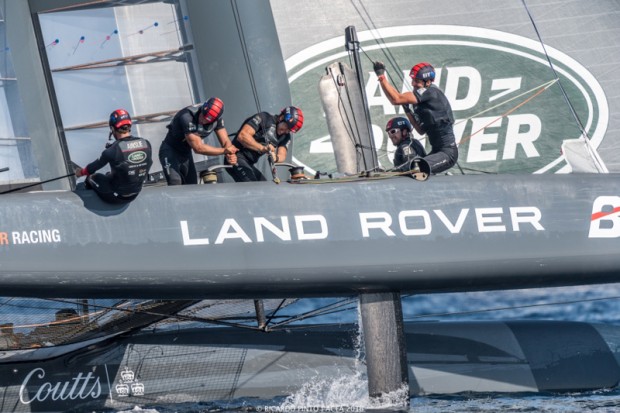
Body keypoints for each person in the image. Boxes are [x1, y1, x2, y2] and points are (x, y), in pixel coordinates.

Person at [374, 61, 458, 174]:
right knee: (408, 166)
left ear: (428, 82)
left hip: (448, 153)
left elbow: (396, 99)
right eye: (413, 80)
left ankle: (389, 173)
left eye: (417, 81)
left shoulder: (430, 92)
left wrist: (381, 76)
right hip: (437, 152)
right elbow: (420, 130)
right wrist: (408, 110)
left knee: (414, 168)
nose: (413, 83)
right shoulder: (422, 100)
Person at [75, 109, 153, 203]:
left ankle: (81, 202)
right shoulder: (146, 143)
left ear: (112, 128)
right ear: (129, 125)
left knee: (91, 177)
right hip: (135, 194)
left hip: (116, 197)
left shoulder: (112, 150)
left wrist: (80, 172)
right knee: (110, 174)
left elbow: (91, 169)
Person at [159, 97, 238, 185]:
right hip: (170, 150)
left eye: (207, 121)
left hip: (186, 154)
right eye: (202, 116)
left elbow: (225, 141)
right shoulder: (187, 116)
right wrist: (224, 151)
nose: (202, 121)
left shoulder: (217, 120)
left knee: (192, 184)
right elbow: (198, 148)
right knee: (175, 182)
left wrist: (231, 154)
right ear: (202, 108)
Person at [226, 106, 304, 182]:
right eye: (286, 127)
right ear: (282, 117)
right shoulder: (264, 118)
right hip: (234, 157)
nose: (286, 131)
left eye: (289, 130)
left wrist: (275, 158)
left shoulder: (286, 136)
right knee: (253, 186)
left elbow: (282, 155)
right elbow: (242, 136)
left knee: (265, 186)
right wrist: (262, 148)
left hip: (249, 163)